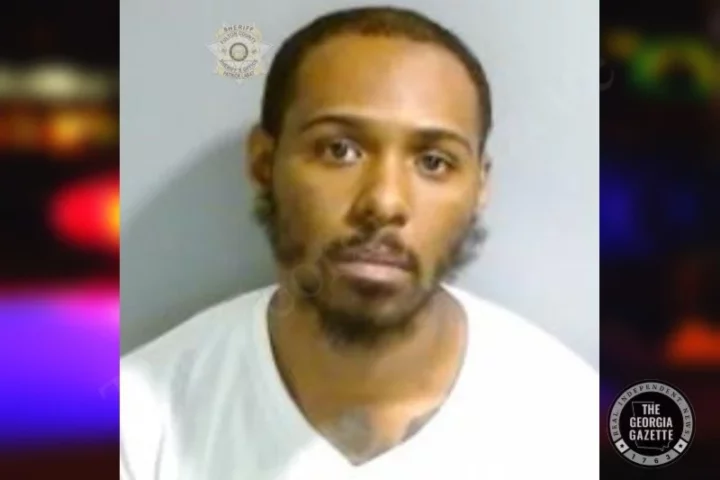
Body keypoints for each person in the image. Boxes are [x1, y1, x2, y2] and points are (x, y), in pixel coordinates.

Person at [120, 6, 598, 479]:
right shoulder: (138, 423)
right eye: (340, 150)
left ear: (480, 187)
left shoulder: (570, 424)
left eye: (433, 162)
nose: (384, 202)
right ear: (264, 163)